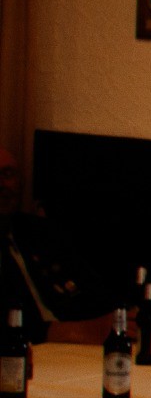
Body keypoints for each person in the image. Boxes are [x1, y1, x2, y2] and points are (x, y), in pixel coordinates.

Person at [0, 145, 112, 343]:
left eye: (7, 174)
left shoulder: (38, 231)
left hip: (74, 349)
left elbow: (94, 289)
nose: (1, 184)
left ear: (21, 182)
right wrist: (77, 332)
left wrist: (129, 318)